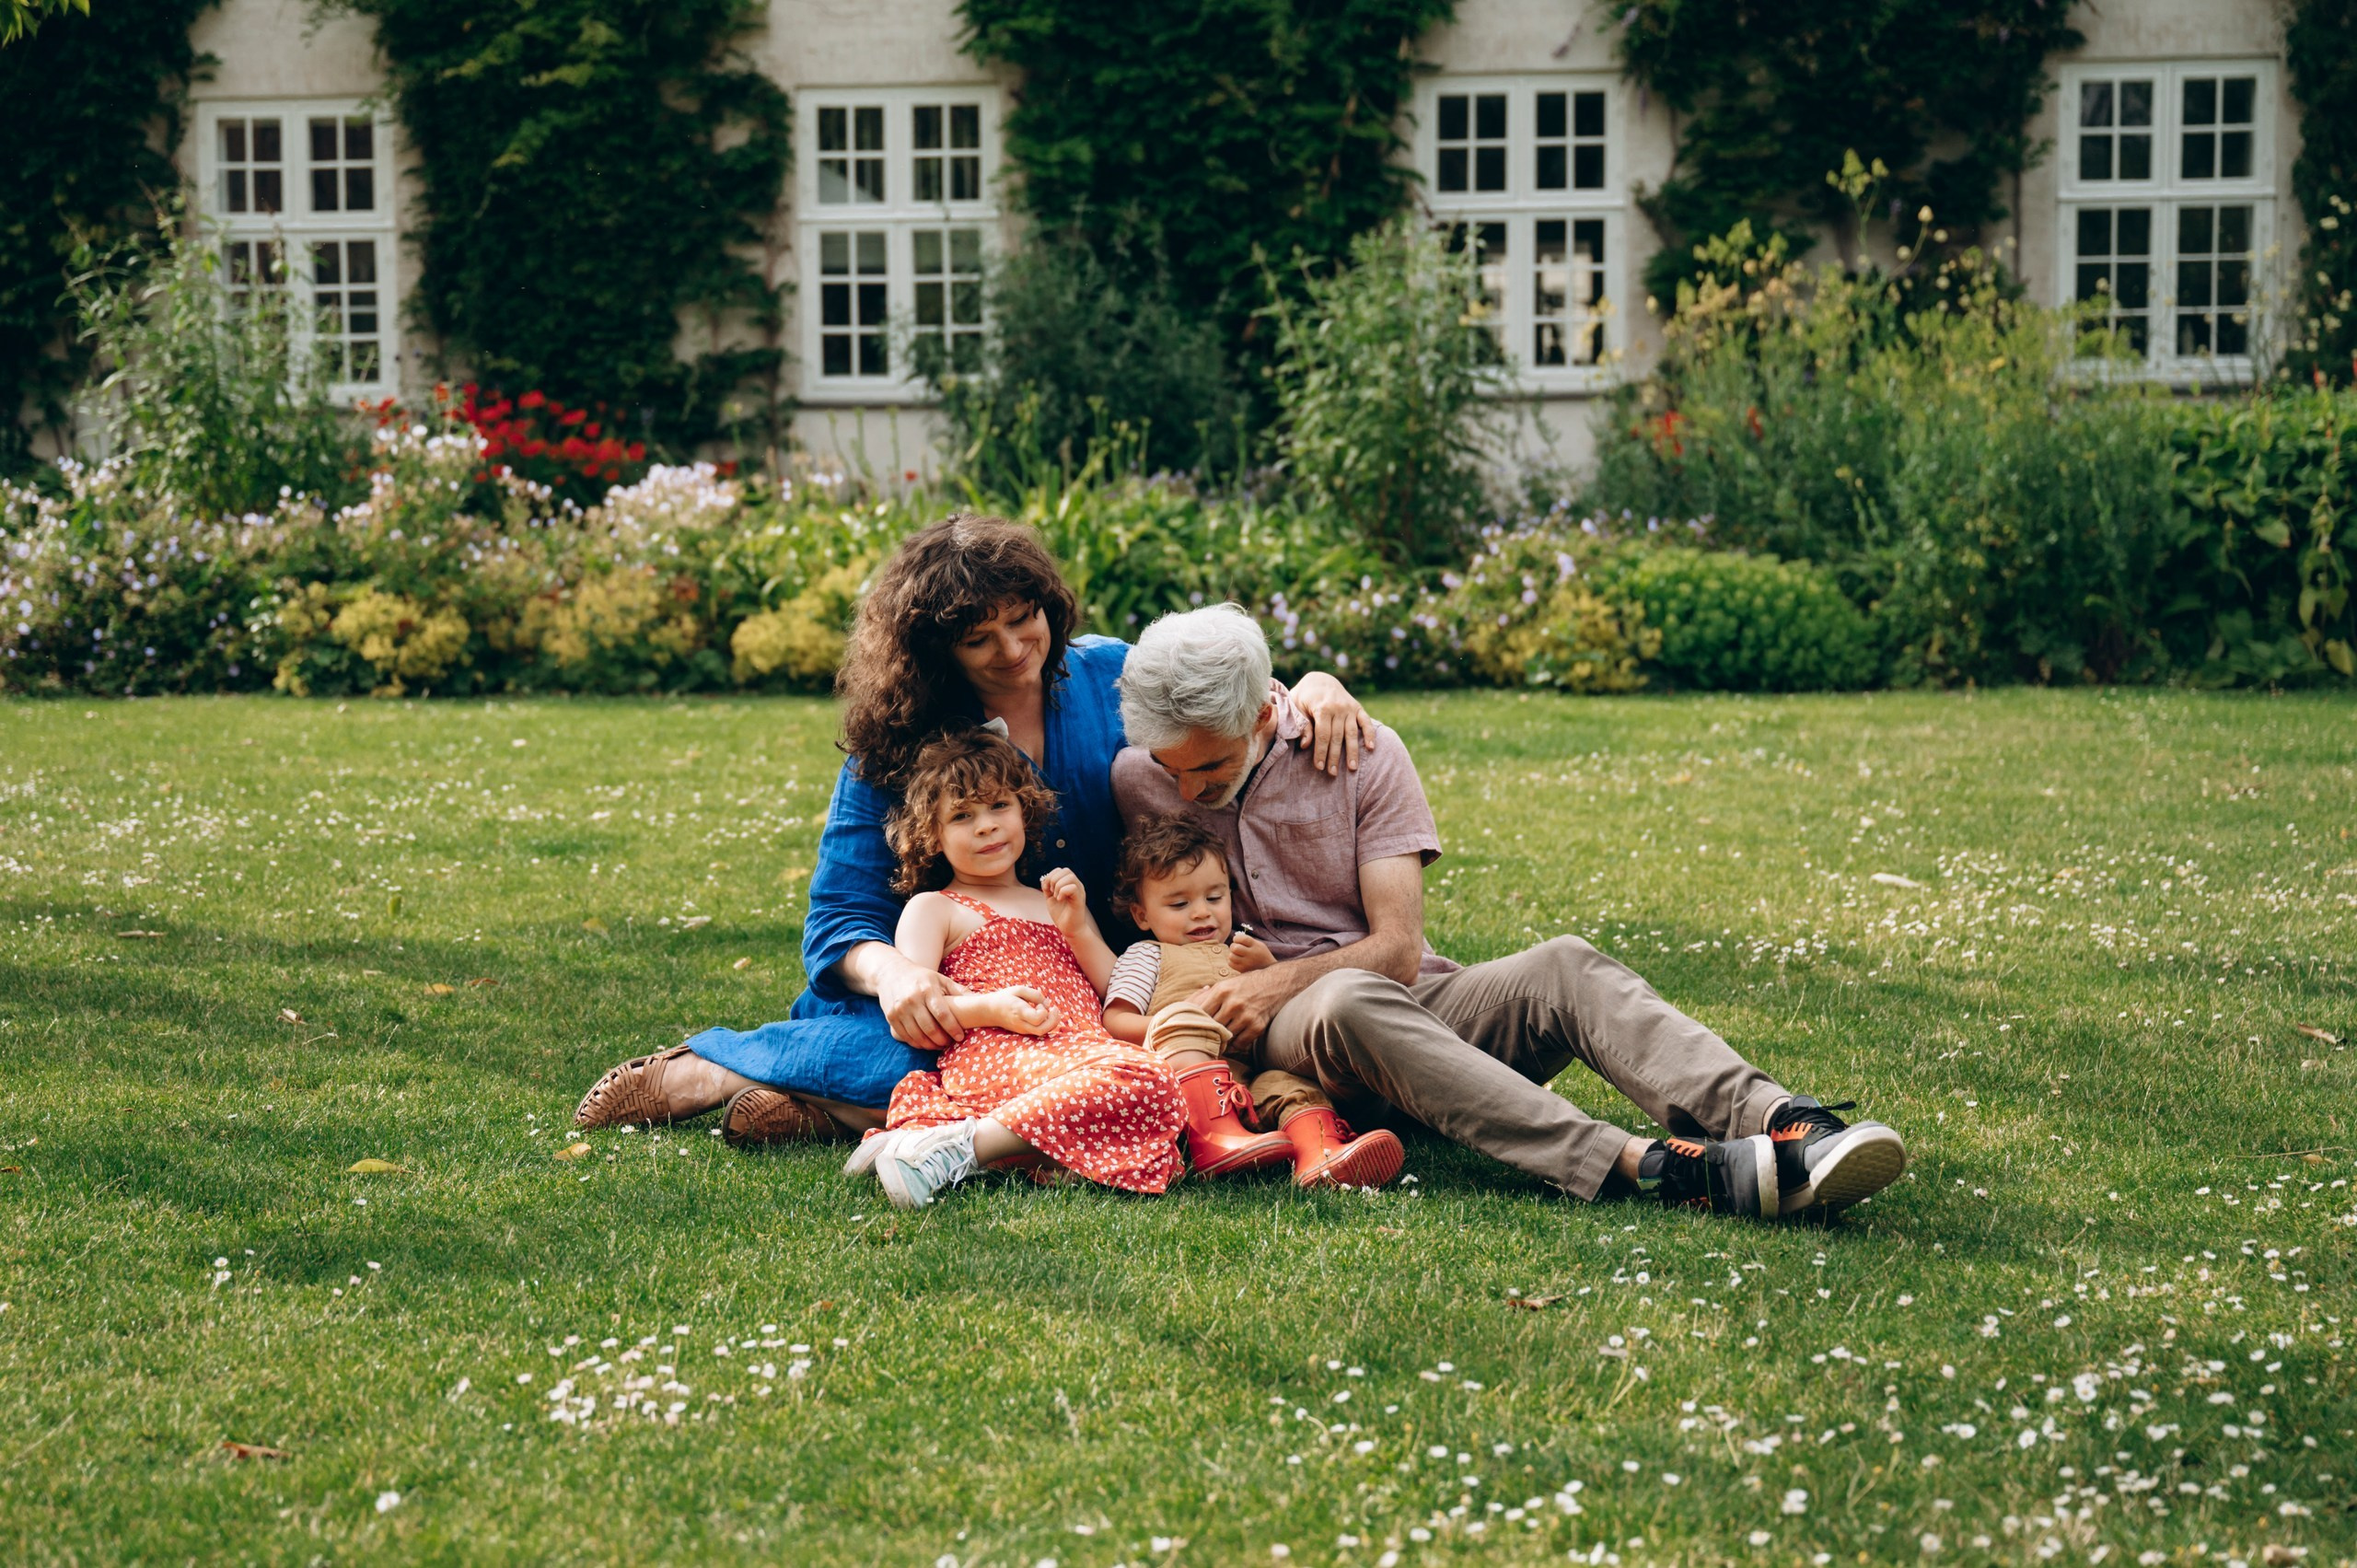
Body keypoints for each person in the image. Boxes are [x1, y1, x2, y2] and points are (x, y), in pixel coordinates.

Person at [573, 516, 1376, 1144]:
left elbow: (1220, 694)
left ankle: (815, 1106)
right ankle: (714, 1070)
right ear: (935, 649)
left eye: (1025, 620)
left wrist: (1311, 683)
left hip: (1097, 982)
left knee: (1134, 1061)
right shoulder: (897, 737)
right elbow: (839, 919)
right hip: (956, 989)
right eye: (978, 637)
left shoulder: (1109, 673)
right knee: (934, 1054)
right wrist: (898, 978)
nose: (1014, 650)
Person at [1109, 603, 1908, 1219]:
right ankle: (1650, 1165)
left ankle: (1785, 1120)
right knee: (1346, 997)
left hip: (1397, 997)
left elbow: (1395, 949)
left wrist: (1276, 983)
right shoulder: (1137, 778)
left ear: (1258, 716)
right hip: (1295, 1049)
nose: (1183, 792)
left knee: (1561, 961)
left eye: (1207, 767)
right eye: (1169, 769)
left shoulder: (1361, 751)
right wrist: (1265, 992)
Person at [839, 728, 1183, 1210]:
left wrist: (1078, 929)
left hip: (1081, 1054)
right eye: (962, 816)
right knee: (1149, 1080)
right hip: (999, 1054)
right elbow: (919, 1008)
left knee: (1165, 1110)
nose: (986, 826)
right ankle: (953, 1152)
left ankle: (949, 1141)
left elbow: (1116, 990)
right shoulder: (935, 908)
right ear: (932, 837)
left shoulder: (1054, 900)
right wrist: (992, 1009)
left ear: (1026, 810)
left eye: (999, 806)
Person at [1102, 811, 1404, 1189]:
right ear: (1141, 915)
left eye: (1214, 897)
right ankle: (1212, 1138)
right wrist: (1174, 1022)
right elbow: (1115, 1021)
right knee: (1181, 1020)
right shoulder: (1145, 956)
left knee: (1291, 1086)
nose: (1201, 912)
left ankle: (1320, 1154)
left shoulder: (1241, 952)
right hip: (1184, 1090)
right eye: (1179, 905)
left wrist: (1267, 968)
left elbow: (1279, 1006)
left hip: (1248, 1080)